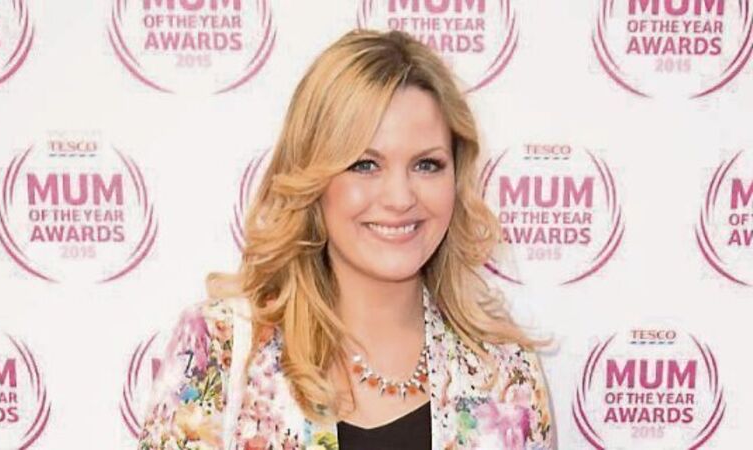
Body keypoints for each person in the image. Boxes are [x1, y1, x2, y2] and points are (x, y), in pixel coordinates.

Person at [138, 29, 555, 450]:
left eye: (427, 165)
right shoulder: (220, 348)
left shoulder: (506, 375)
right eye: (365, 165)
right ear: (313, 178)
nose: (400, 198)